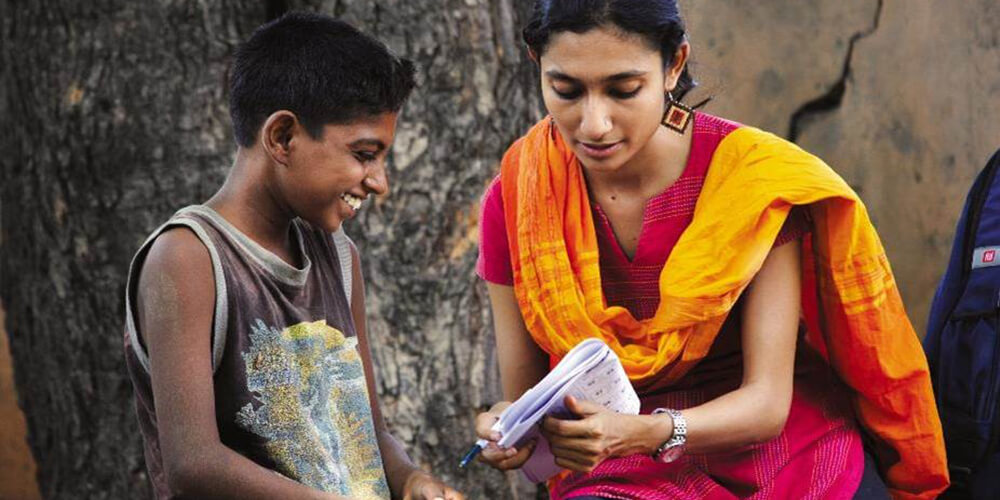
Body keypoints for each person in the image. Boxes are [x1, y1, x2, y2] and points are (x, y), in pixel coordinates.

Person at [473, 1, 948, 498]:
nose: (594, 124)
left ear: (674, 65)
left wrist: (651, 432)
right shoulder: (519, 199)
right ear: (536, 62)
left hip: (787, 456)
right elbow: (525, 399)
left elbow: (767, 404)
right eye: (566, 90)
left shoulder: (750, 182)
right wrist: (505, 427)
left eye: (624, 90)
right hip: (616, 473)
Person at [123, 12, 462, 500]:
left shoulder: (340, 258)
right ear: (282, 137)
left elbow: (370, 433)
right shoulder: (189, 259)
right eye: (365, 154)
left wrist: (410, 478)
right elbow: (193, 464)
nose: (380, 181)